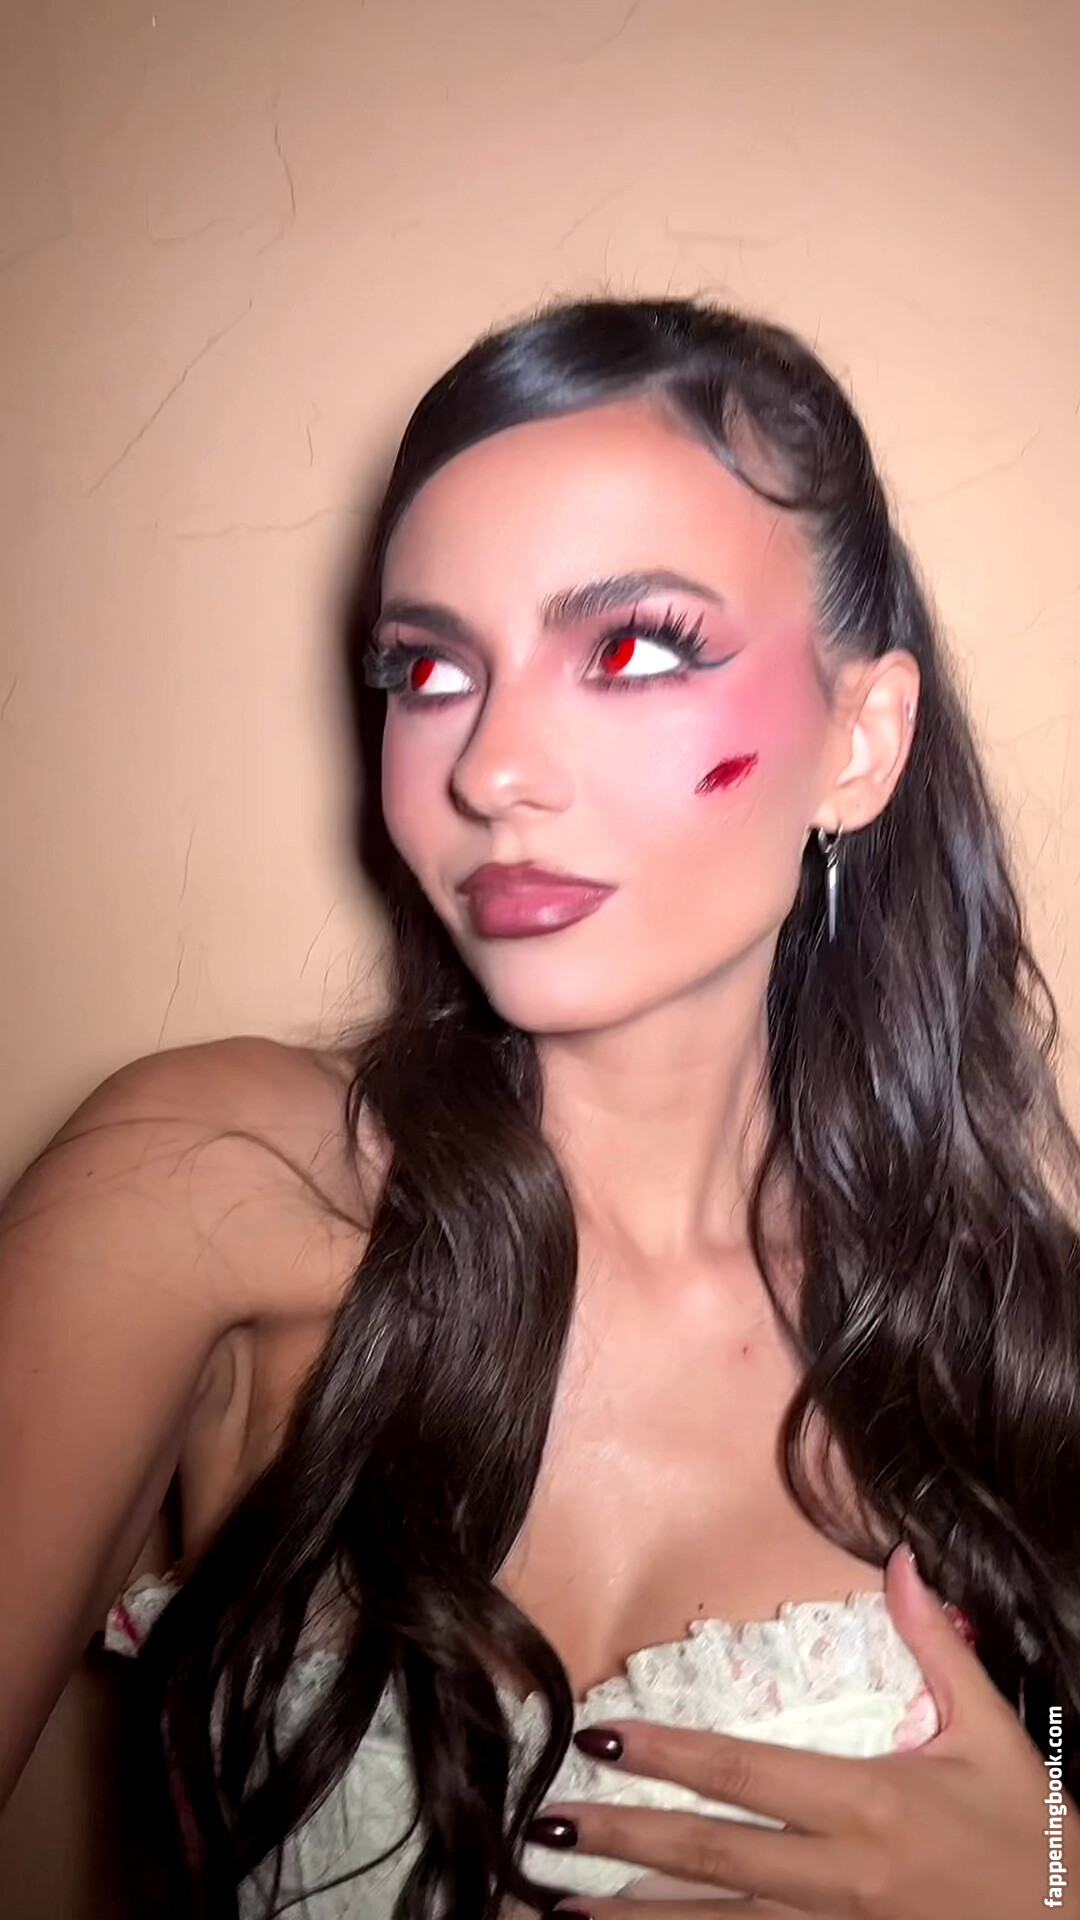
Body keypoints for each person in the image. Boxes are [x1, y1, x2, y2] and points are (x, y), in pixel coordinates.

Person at [1, 296, 1077, 1920]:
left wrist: (1058, 1883)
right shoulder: (210, 1183)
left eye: (631, 649)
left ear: (859, 742)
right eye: (429, 668)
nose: (488, 766)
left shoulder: (1008, 1320)